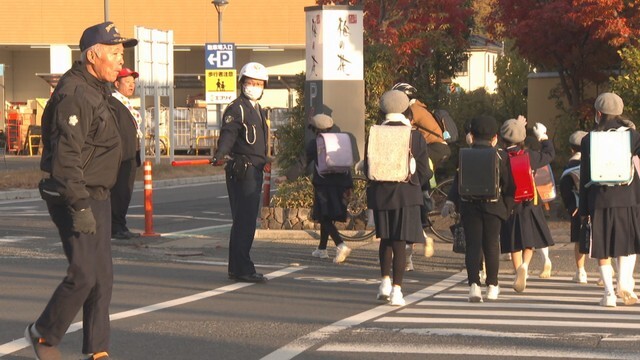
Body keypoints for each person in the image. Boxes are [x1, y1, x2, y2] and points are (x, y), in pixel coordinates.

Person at [25, 21, 137, 360]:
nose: (121, 62)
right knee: (84, 273)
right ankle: (44, 333)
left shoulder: (97, 90)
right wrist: (80, 206)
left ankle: (97, 350)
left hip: (97, 194)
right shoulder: (74, 94)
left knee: (103, 277)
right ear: (93, 55)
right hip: (75, 195)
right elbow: (65, 159)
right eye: (116, 54)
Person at [366, 90, 431, 306]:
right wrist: (414, 183)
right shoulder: (415, 135)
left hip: (381, 193)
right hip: (406, 192)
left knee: (385, 238)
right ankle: (397, 290)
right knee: (400, 242)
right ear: (406, 109)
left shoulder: (375, 132)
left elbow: (368, 166)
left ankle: (384, 283)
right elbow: (424, 171)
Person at [441, 115, 515, 302]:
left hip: (469, 206)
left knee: (473, 246)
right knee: (491, 245)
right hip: (494, 207)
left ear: (471, 135)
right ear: (495, 137)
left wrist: (451, 202)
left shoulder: (464, 155)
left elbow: (458, 182)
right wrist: (506, 209)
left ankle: (474, 285)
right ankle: (492, 285)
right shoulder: (501, 156)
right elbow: (509, 186)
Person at [579, 92, 640, 307]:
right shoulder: (632, 135)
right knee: (628, 244)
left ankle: (608, 294)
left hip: (599, 199)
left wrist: (583, 207)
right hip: (628, 197)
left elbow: (585, 174)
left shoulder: (589, 139)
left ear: (598, 113)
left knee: (602, 247)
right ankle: (624, 282)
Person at [213, 62, 270, 283]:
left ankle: (237, 267)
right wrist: (220, 153)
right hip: (242, 169)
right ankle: (243, 268)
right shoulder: (237, 108)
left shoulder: (256, 109)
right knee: (244, 221)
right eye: (250, 82)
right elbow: (229, 133)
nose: (254, 87)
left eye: (258, 83)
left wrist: (265, 159)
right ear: (242, 84)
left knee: (244, 221)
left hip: (254, 168)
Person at [499, 117, 555, 293]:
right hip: (530, 202)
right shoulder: (529, 155)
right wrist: (543, 137)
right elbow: (549, 155)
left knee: (513, 242)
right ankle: (525, 265)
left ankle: (518, 271)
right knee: (528, 241)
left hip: (509, 204)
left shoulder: (500, 156)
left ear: (501, 138)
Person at [390, 82, 439, 268]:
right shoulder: (418, 109)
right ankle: (421, 236)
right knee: (415, 208)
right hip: (419, 173)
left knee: (397, 228)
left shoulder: (410, 113)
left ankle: (406, 260)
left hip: (401, 183)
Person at [305, 114, 353, 263]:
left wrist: (286, 177)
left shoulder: (316, 143)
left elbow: (303, 162)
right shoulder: (340, 140)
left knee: (323, 217)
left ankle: (340, 245)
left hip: (324, 185)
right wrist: (350, 185)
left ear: (315, 129)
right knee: (328, 216)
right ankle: (322, 249)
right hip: (342, 183)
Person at [109, 67, 142, 239]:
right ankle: (115, 227)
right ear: (116, 83)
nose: (131, 86)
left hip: (130, 154)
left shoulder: (126, 103)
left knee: (126, 192)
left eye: (133, 83)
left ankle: (121, 225)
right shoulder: (112, 102)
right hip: (120, 156)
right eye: (127, 82)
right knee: (119, 192)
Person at [559, 130, 589, 283]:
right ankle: (607, 270)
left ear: (571, 149)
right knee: (599, 238)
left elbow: (564, 189)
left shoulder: (569, 167)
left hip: (577, 208)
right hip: (595, 206)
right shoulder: (594, 162)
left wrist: (571, 207)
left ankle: (581, 271)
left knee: (579, 240)